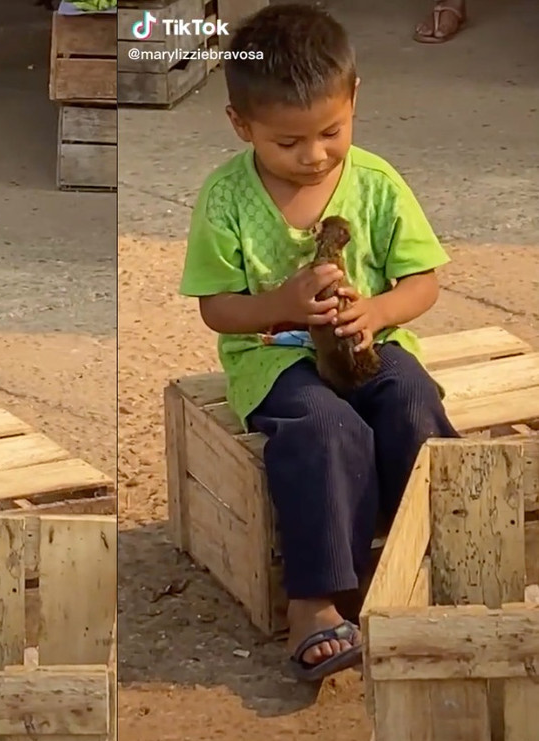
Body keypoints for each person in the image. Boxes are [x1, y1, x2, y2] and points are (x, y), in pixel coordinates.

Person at [179, 4, 457, 682]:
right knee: (326, 428)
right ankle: (316, 599)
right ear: (241, 126)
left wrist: (378, 310)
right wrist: (280, 306)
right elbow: (217, 310)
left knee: (413, 396)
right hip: (275, 362)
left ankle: (431, 557)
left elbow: (422, 284)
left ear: (354, 99)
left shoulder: (378, 184)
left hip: (369, 344)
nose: (314, 155)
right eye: (287, 143)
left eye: (331, 132)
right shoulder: (224, 199)